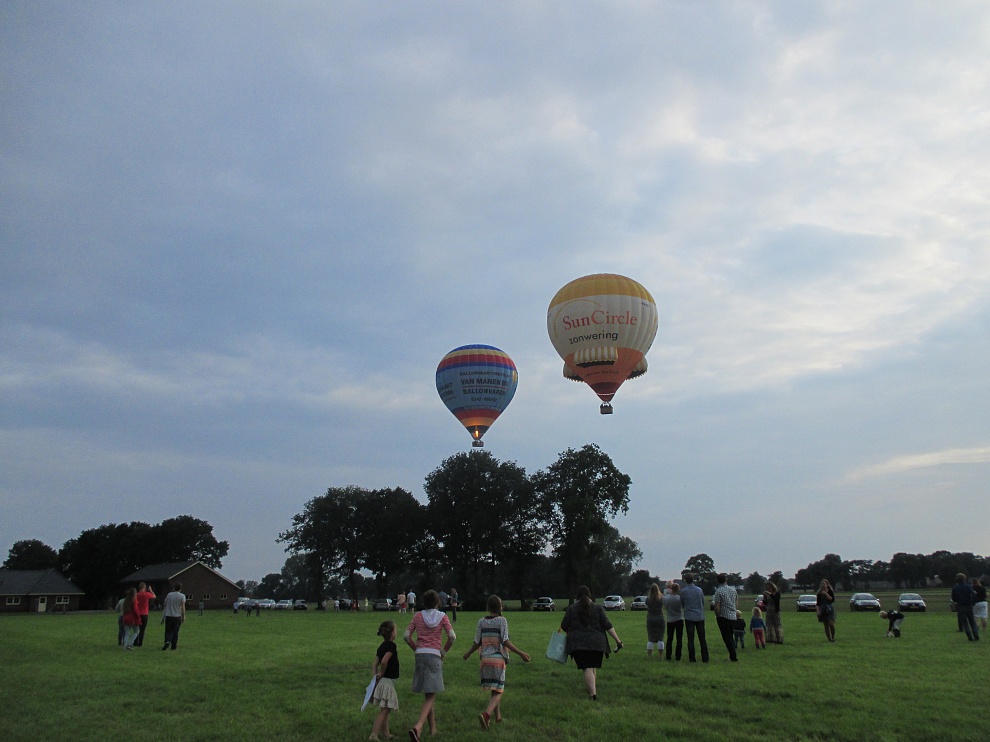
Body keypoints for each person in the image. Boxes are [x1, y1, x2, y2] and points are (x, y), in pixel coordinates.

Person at [462, 595, 531, 729]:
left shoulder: (481, 621)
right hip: (498, 660)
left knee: (494, 689)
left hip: (485, 660)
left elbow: (477, 642)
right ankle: (486, 715)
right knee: (499, 691)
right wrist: (521, 653)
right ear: (500, 607)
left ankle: (498, 718)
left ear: (488, 607)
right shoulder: (502, 621)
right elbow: (505, 641)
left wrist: (468, 653)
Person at [404, 589, 455, 742]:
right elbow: (452, 637)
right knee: (432, 694)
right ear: (438, 602)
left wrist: (416, 648)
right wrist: (443, 652)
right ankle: (418, 726)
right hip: (434, 655)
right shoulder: (442, 617)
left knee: (428, 692)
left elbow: (406, 636)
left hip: (420, 655)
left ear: (424, 602)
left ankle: (433, 729)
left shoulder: (417, 616)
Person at [560, 585, 623, 701]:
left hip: (578, 644)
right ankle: (591, 689)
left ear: (577, 596)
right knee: (592, 666)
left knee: (587, 668)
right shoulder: (598, 608)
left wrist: (571, 632)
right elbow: (607, 625)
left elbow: (564, 625)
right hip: (597, 643)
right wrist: (618, 641)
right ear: (589, 595)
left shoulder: (571, 609)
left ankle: (593, 694)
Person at [369, 620, 400, 742]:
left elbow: (374, 664)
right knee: (386, 710)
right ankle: (374, 734)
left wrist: (375, 678)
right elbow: (384, 661)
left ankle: (386, 734)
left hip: (382, 682)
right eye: (395, 630)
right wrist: (381, 673)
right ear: (392, 633)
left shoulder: (381, 646)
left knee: (384, 708)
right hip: (387, 682)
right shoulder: (391, 646)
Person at [680, 573, 709, 663]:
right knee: (702, 638)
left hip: (689, 617)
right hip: (699, 616)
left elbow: (682, 604)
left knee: (690, 639)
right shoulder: (699, 590)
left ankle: (692, 658)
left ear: (685, 580)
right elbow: (702, 602)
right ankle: (705, 658)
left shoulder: (683, 591)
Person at [713, 573, 739, 661]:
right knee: (730, 636)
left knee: (727, 638)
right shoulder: (733, 590)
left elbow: (717, 606)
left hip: (724, 616)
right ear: (726, 580)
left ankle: (733, 656)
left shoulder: (718, 591)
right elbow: (736, 603)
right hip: (733, 616)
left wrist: (718, 616)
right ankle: (733, 655)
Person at [951, 573, 980, 641]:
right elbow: (973, 594)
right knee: (972, 622)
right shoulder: (968, 587)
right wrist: (973, 602)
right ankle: (976, 636)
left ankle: (970, 637)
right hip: (968, 605)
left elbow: (953, 598)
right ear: (964, 579)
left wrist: (957, 601)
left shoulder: (955, 588)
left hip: (960, 606)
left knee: (965, 623)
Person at [161, 582, 186, 650]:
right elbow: (183, 607)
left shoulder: (169, 594)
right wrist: (183, 616)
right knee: (175, 631)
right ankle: (173, 646)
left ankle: (167, 641)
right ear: (180, 588)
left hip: (169, 615)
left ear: (174, 588)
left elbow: (165, 603)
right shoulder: (182, 596)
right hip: (177, 616)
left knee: (168, 630)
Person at [662, 581, 684, 661]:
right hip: (679, 619)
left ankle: (668, 655)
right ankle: (678, 656)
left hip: (670, 620)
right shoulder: (679, 598)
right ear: (678, 589)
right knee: (679, 639)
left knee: (669, 638)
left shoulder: (666, 598)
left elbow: (663, 602)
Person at [644, 583, 665, 658]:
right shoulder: (661, 598)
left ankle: (649, 655)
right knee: (660, 637)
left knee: (650, 638)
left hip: (651, 618)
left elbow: (646, 604)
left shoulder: (648, 599)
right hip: (660, 617)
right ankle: (660, 656)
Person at [133, 582, 156, 647]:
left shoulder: (136, 594)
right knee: (142, 629)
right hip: (144, 614)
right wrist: (151, 590)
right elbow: (154, 596)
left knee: (137, 628)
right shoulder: (146, 594)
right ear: (144, 587)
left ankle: (135, 641)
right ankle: (140, 642)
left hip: (137, 613)